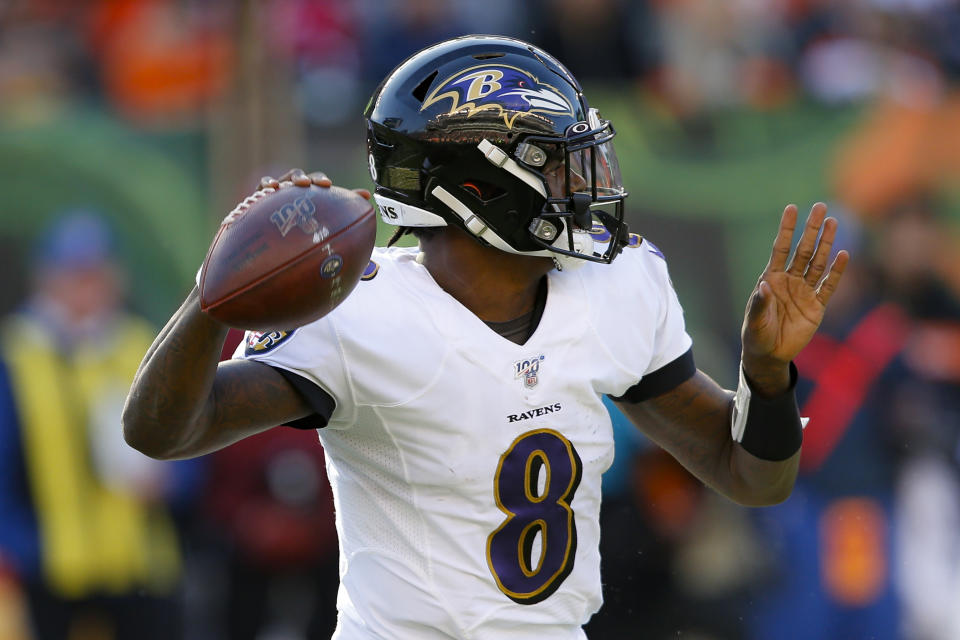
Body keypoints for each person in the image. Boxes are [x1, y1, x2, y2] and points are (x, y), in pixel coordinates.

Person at [123, 35, 848, 638]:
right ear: (478, 188)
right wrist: (213, 300)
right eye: (556, 161)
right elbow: (162, 431)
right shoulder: (364, 312)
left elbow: (752, 476)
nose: (582, 182)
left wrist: (767, 374)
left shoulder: (616, 289)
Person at [0, 212, 186, 640]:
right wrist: (28, 550)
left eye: (97, 274)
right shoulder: (17, 355)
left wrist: (171, 481)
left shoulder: (143, 344)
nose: (88, 288)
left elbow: (188, 441)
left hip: (140, 568)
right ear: (47, 279)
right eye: (75, 275)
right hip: (53, 574)